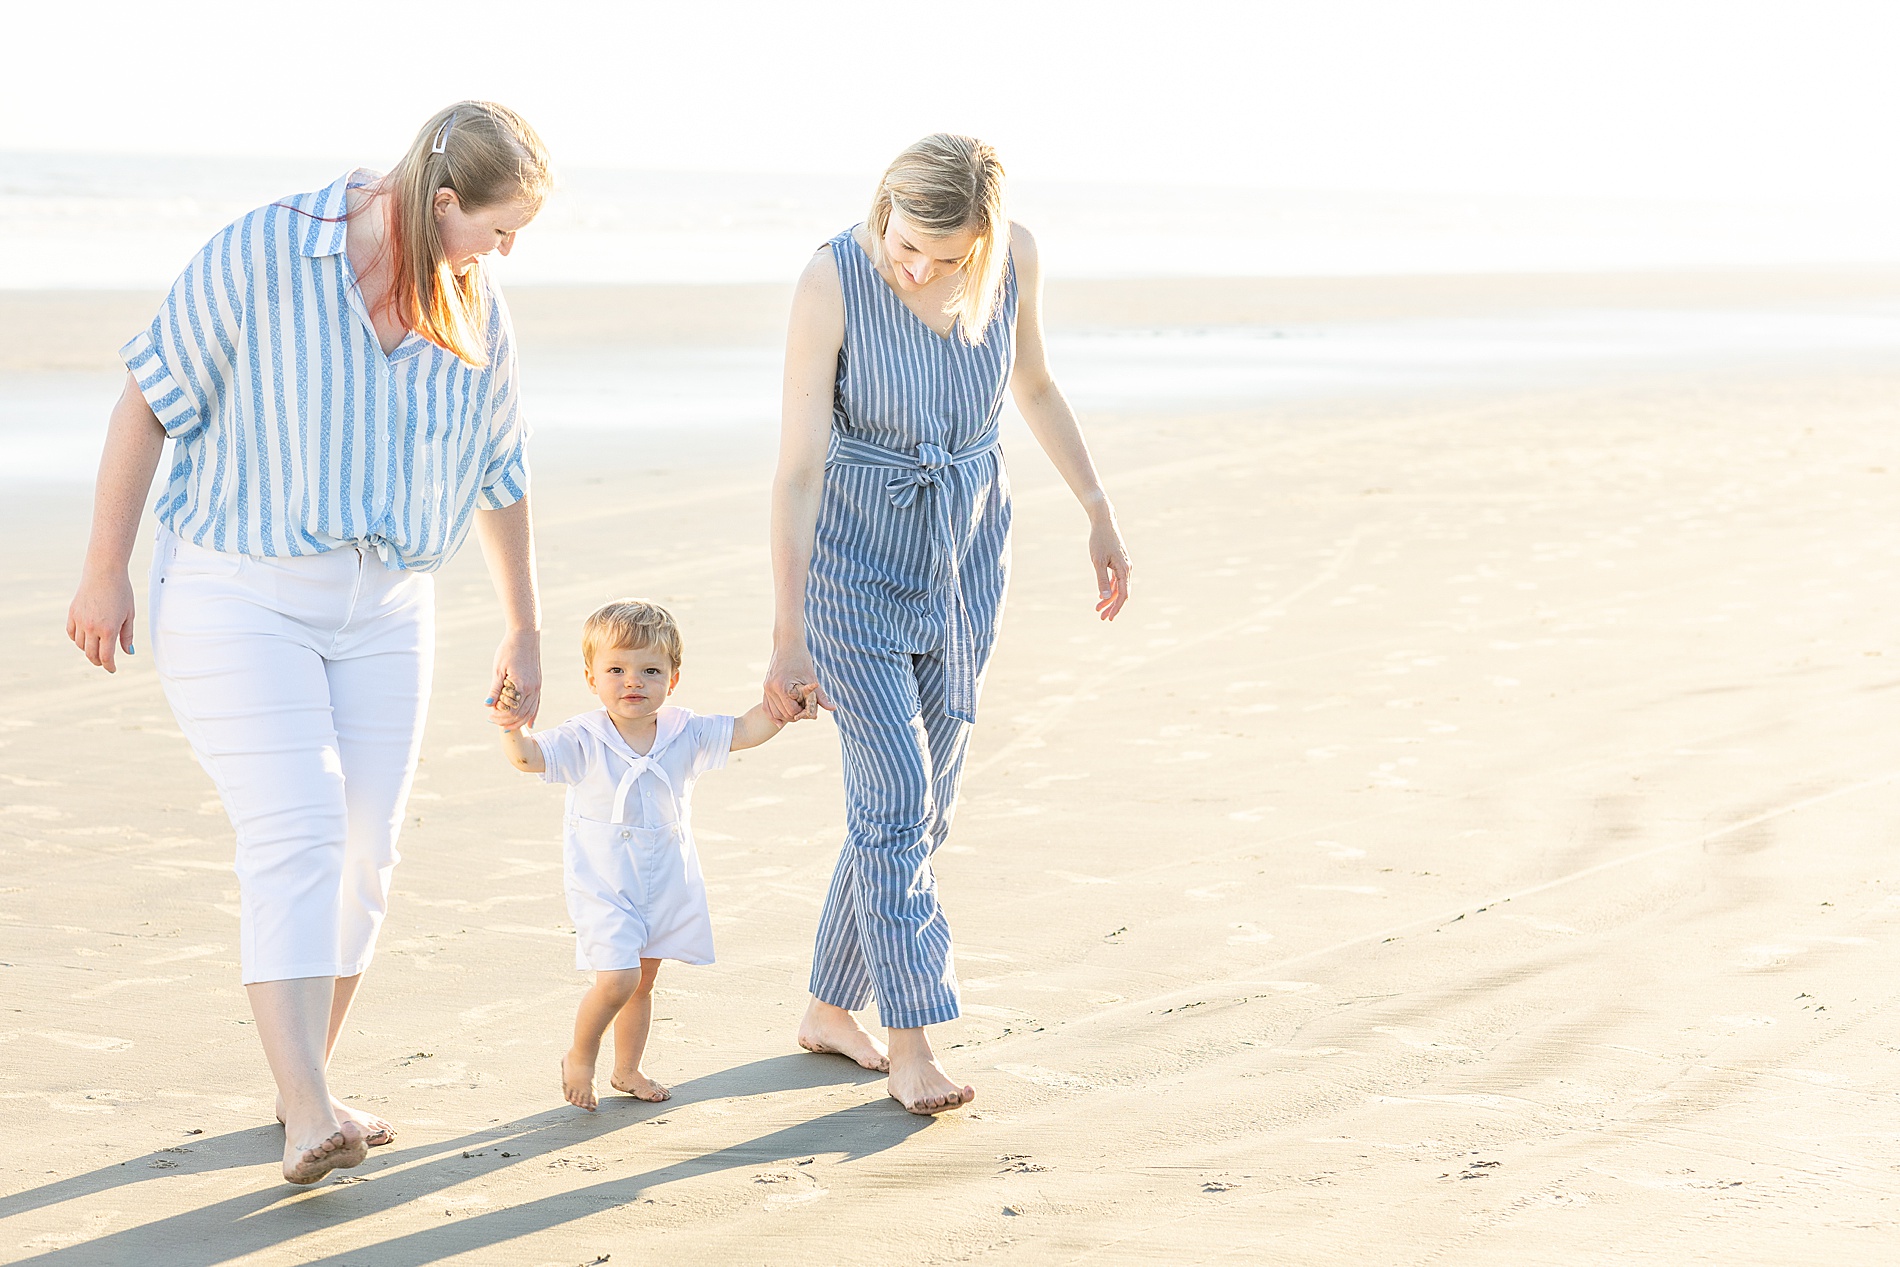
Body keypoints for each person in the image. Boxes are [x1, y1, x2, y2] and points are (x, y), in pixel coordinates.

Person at [63, 101, 552, 1184]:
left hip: (387, 608)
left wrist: (522, 624)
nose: (507, 253)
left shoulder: (475, 300)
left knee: (366, 851)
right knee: (299, 826)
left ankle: (306, 1089)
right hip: (240, 590)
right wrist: (107, 567)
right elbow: (145, 403)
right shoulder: (266, 250)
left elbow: (499, 470)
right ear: (440, 203)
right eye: (499, 228)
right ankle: (302, 1106)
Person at [764, 134, 1134, 1114]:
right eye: (908, 245)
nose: (920, 268)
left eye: (947, 255)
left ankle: (826, 1007)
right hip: (851, 564)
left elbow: (1035, 385)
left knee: (924, 809)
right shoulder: (830, 280)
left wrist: (1097, 508)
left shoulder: (1012, 260)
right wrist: (784, 630)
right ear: (882, 204)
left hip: (966, 553)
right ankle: (910, 1043)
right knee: (894, 799)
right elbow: (798, 467)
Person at [494, 599, 812, 1111]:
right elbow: (529, 759)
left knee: (641, 981)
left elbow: (746, 730)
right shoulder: (585, 738)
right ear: (590, 676)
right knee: (616, 978)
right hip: (603, 882)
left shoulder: (684, 732)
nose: (632, 681)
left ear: (673, 678)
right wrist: (512, 725)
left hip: (664, 879)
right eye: (615, 669)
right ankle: (581, 1053)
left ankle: (627, 1069)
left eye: (649, 670)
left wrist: (787, 704)